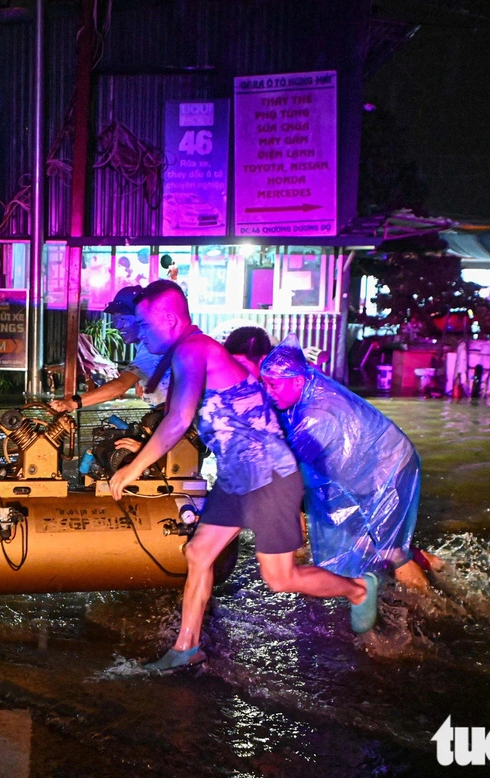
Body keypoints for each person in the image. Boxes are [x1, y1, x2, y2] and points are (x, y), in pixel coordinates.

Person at [108, 281, 379, 672]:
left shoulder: (194, 349)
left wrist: (133, 470)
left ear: (169, 319)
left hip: (268, 477)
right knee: (198, 553)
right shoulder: (188, 351)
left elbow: (179, 419)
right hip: (237, 477)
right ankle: (186, 648)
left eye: (145, 326)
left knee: (280, 579)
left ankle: (358, 588)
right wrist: (144, 448)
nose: (142, 333)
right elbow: (193, 420)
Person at [260, 335, 443, 592]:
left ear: (298, 381)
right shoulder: (307, 390)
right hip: (369, 470)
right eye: (264, 384)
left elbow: (286, 469)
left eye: (273, 385)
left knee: (390, 550)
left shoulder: (316, 416)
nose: (267, 392)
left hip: (390, 469)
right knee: (368, 540)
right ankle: (437, 566)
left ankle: (432, 609)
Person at [48, 285, 171, 414]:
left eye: (123, 319)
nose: (117, 325)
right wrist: (140, 378)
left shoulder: (152, 349)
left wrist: (72, 403)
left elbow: (120, 386)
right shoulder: (146, 346)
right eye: (114, 319)